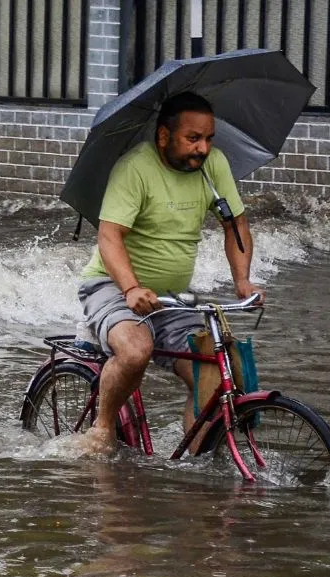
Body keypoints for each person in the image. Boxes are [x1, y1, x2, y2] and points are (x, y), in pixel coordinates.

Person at [77, 91, 264, 455]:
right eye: (192, 138)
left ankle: (196, 463)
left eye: (208, 139)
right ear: (164, 136)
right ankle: (102, 428)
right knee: (135, 351)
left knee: (215, 367)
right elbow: (109, 236)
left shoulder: (213, 167)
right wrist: (130, 287)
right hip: (113, 286)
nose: (202, 148)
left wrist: (243, 280)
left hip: (171, 298)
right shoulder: (135, 168)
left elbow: (235, 224)